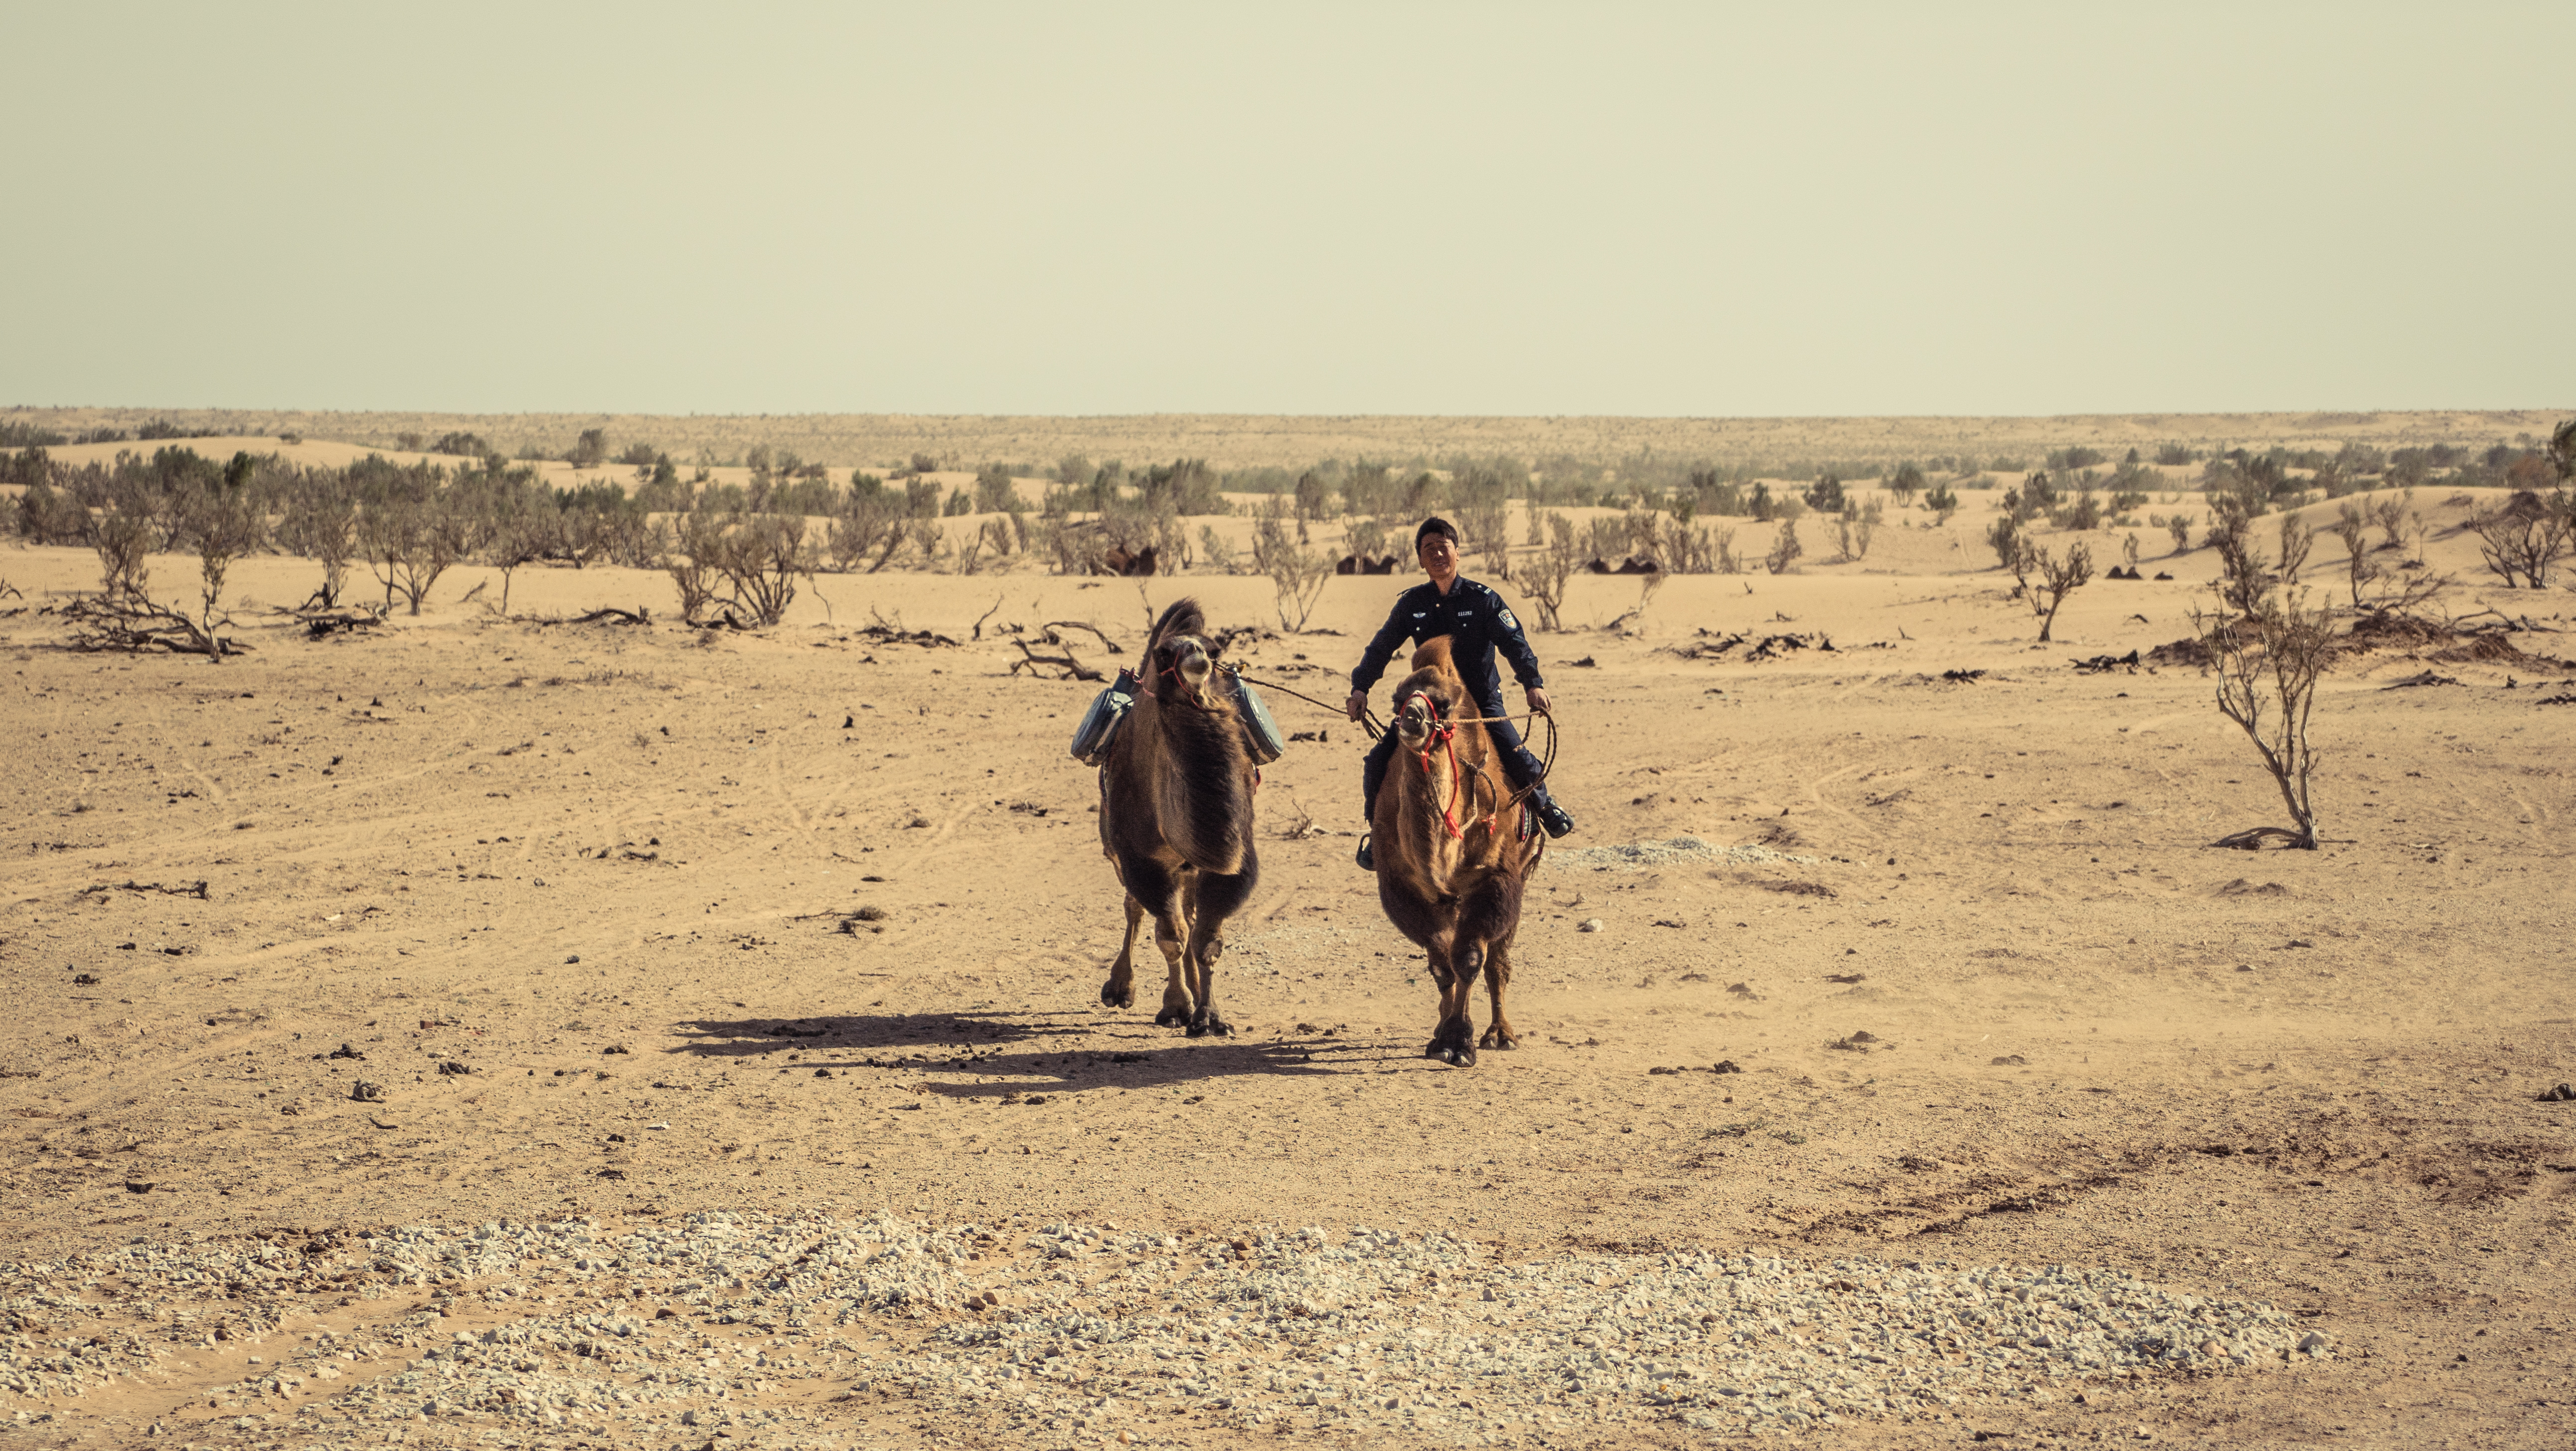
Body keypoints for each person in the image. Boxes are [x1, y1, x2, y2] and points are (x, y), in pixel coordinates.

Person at [1346, 516, 1575, 871]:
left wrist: (1533, 683)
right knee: (1377, 762)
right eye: (1429, 549)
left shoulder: (1483, 599)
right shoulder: (1412, 604)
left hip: (1482, 703)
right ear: (1421, 560)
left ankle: (1545, 807)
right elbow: (1381, 646)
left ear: (1457, 552)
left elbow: (1515, 643)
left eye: (1444, 547)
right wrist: (1360, 687)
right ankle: (1376, 836)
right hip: (1429, 707)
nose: (1437, 554)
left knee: (1516, 754)